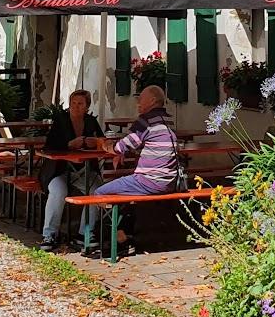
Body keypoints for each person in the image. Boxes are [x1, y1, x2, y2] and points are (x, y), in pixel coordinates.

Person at [86, 84, 179, 255]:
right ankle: (125, 233)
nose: (138, 102)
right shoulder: (167, 120)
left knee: (99, 193)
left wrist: (103, 144)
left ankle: (116, 238)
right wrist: (125, 149)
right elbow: (143, 143)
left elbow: (119, 147)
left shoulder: (146, 121)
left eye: (141, 98)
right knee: (124, 199)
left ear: (152, 101)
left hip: (149, 181)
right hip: (170, 182)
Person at [37, 89, 104, 251]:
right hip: (59, 169)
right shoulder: (61, 120)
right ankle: (50, 234)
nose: (76, 107)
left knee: (97, 190)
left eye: (80, 104)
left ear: (87, 106)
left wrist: (93, 142)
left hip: (84, 169)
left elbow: (101, 140)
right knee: (59, 191)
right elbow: (49, 145)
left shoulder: (90, 121)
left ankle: (85, 234)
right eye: (73, 103)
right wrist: (68, 145)